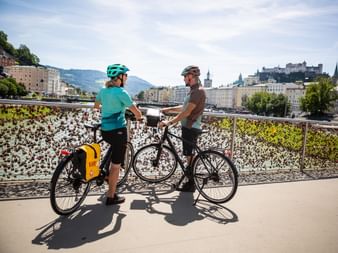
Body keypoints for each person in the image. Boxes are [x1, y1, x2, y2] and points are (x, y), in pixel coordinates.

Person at [94, 64, 142, 205]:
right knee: (116, 166)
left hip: (105, 130)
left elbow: (96, 106)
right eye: (126, 75)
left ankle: (107, 176)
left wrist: (109, 108)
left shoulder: (103, 90)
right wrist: (140, 117)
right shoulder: (121, 92)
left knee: (112, 149)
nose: (126, 78)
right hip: (118, 131)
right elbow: (136, 111)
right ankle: (111, 196)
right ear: (121, 77)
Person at [159, 65, 206, 192]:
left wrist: (169, 122)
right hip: (188, 126)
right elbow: (184, 107)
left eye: (185, 76)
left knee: (189, 155)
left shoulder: (198, 91)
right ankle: (189, 181)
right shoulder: (194, 90)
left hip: (191, 127)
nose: (184, 79)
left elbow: (186, 112)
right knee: (188, 154)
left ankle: (191, 184)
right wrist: (169, 109)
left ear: (191, 76)